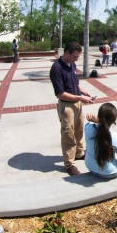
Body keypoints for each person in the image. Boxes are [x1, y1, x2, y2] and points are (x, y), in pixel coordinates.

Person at [50, 42, 95, 176]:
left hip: (78, 103)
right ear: (67, 53)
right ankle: (69, 164)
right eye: (74, 57)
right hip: (66, 106)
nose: (76, 59)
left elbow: (76, 83)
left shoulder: (72, 64)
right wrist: (81, 98)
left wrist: (86, 93)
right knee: (68, 134)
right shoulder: (56, 68)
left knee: (79, 130)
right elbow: (61, 93)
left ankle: (79, 153)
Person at [84, 103, 117, 178]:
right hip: (109, 173)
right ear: (114, 120)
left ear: (98, 116)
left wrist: (95, 119)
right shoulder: (116, 137)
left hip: (90, 167)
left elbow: (97, 125)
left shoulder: (88, 127)